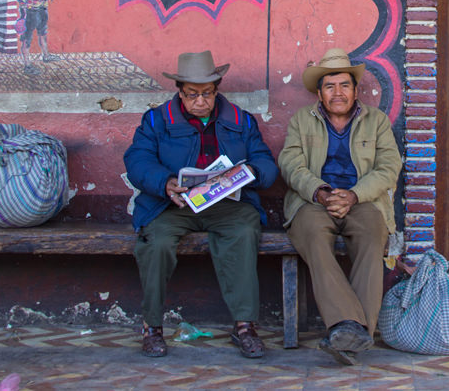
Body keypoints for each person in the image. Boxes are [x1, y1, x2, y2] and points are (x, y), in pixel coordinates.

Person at [124, 50, 278, 359]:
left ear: (217, 89)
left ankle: (245, 326)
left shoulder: (240, 121)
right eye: (192, 94)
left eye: (207, 93)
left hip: (226, 205)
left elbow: (265, 161)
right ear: (180, 91)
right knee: (155, 242)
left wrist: (250, 173)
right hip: (173, 205)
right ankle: (152, 327)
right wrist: (164, 182)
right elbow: (137, 159)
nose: (200, 101)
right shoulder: (156, 120)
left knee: (244, 232)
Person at [278, 48, 402, 365]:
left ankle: (349, 332)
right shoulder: (300, 121)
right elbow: (290, 164)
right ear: (319, 92)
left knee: (373, 237)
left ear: (355, 89)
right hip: (314, 201)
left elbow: (389, 166)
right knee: (312, 238)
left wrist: (354, 195)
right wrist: (320, 192)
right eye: (330, 86)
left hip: (361, 200)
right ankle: (353, 329)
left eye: (344, 85)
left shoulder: (376, 122)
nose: (338, 93)